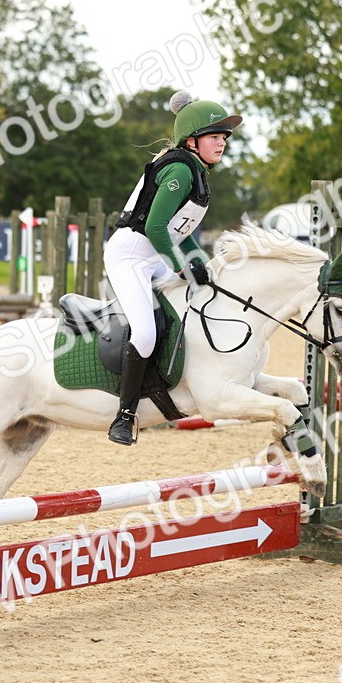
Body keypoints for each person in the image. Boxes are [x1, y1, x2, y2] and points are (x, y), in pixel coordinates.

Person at [102, 90, 242, 445]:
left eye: (224, 137)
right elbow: (154, 227)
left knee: (195, 301)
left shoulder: (197, 173)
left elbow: (182, 232)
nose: (222, 143)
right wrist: (181, 265)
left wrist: (199, 262)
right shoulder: (180, 169)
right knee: (145, 333)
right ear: (192, 140)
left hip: (153, 257)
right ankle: (124, 416)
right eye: (214, 136)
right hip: (131, 256)